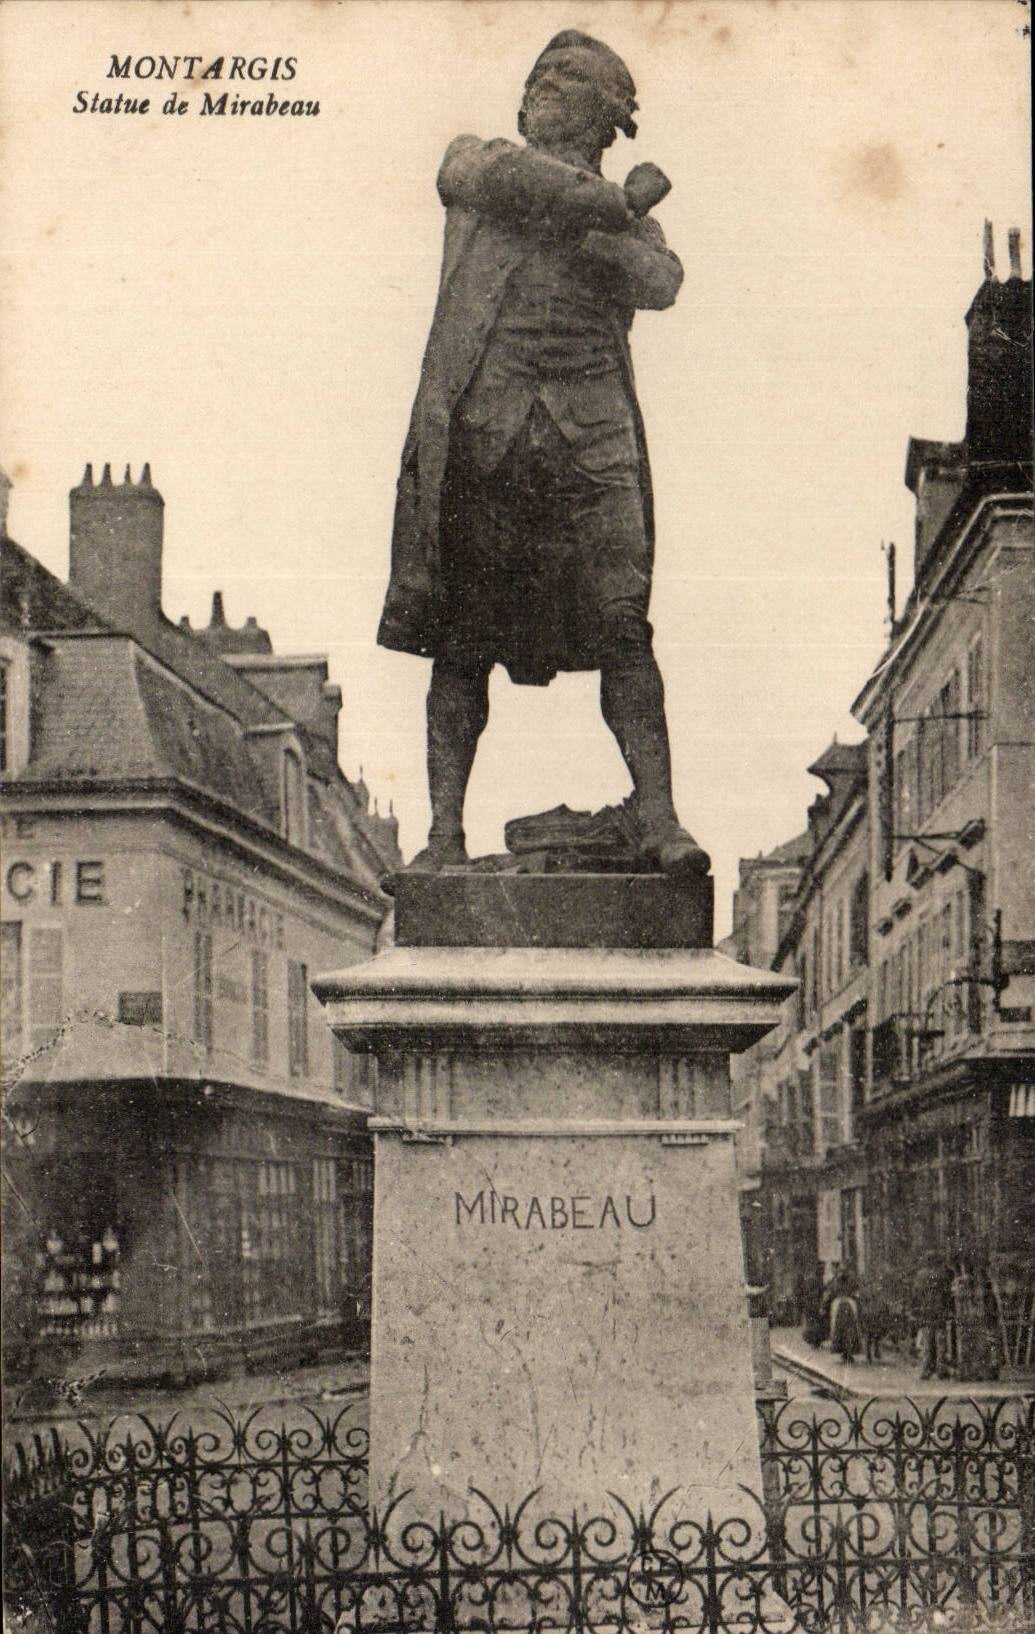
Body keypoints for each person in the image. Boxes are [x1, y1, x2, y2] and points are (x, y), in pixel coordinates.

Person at [377, 32, 709, 876]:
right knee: (460, 640)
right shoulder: (480, 168)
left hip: (592, 442)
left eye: (570, 81)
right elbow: (494, 177)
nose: (547, 90)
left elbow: (660, 282)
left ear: (609, 117)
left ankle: (662, 819)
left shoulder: (633, 225)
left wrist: (602, 226)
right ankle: (442, 837)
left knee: (624, 629)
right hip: (485, 438)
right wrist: (606, 205)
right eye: (540, 78)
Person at [912, 1251, 953, 1380]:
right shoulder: (942, 1275)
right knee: (941, 1342)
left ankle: (927, 1369)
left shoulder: (920, 1276)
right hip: (940, 1311)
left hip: (925, 1312)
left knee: (928, 1342)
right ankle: (941, 1369)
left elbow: (916, 1294)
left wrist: (916, 1310)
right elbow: (947, 1294)